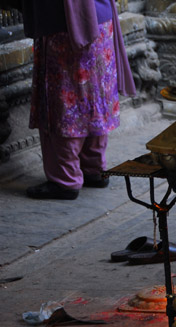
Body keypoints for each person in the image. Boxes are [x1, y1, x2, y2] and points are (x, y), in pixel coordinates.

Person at [23, 0, 136, 200]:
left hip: (65, 25)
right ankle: (93, 169)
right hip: (98, 20)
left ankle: (65, 179)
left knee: (65, 102)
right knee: (94, 94)